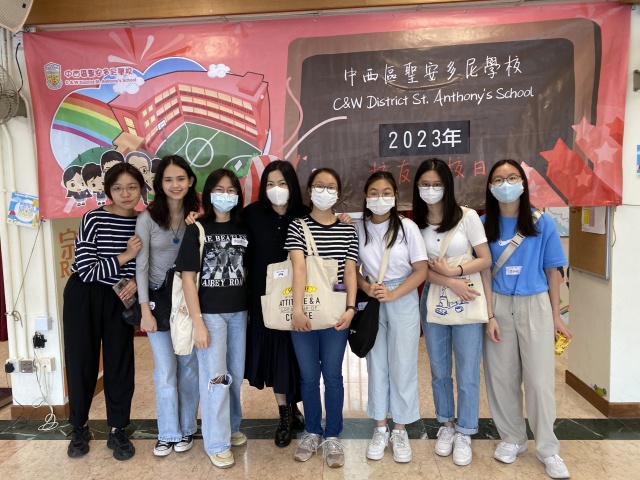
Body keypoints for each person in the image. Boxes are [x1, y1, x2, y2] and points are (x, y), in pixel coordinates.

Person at [481, 159, 571, 479]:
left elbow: (553, 271)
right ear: (490, 187)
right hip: (498, 305)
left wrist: (557, 316)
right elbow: (482, 273)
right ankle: (513, 438)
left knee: (539, 381)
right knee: (501, 378)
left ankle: (548, 448)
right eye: (498, 179)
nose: (506, 184)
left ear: (523, 183)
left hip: (536, 304)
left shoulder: (542, 223)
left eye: (512, 177)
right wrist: (488, 314)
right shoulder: (483, 224)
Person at [413, 158, 492, 467]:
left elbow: (484, 259)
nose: (431, 189)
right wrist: (449, 281)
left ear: (447, 185)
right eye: (425, 184)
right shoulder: (415, 224)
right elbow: (418, 269)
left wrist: (456, 272)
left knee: (469, 370)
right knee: (439, 368)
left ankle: (465, 431)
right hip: (434, 298)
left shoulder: (468, 217)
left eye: (436, 184)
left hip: (467, 298)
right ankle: (446, 424)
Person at [63, 162, 144, 461]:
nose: (126, 194)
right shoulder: (93, 218)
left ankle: (118, 429)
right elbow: (86, 270)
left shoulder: (145, 221)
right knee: (81, 362)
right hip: (83, 296)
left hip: (120, 296)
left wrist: (137, 280)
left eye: (132, 187)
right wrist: (127, 255)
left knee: (120, 363)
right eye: (118, 188)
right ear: (108, 190)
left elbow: (152, 261)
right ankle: (79, 427)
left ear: (141, 189)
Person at [174, 168, 249, 469]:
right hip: (210, 315)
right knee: (216, 378)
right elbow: (188, 280)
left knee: (235, 374)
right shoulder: (197, 229)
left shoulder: (243, 228)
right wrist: (199, 324)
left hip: (239, 313)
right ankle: (216, 443)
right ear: (208, 194)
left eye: (231, 190)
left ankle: (230, 427)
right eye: (219, 189)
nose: (225, 195)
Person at [285, 168, 358, 468]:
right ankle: (313, 431)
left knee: (333, 375)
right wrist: (297, 309)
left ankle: (333, 434)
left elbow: (350, 271)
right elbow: (298, 268)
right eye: (319, 186)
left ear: (338, 193)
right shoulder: (297, 226)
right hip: (303, 313)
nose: (324, 191)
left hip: (336, 313)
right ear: (309, 190)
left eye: (331, 187)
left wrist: (351, 308)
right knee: (308, 376)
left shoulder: (348, 229)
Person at [356, 171, 428, 463]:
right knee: (377, 363)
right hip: (374, 299)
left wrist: (395, 294)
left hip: (403, 297)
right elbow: (352, 270)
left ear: (395, 196)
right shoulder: (359, 228)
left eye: (386, 193)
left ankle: (400, 429)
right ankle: (380, 427)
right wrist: (367, 288)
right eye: (374, 193)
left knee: (403, 364)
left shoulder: (407, 227)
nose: (380, 198)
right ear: (365, 197)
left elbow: (421, 270)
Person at [135, 155, 201, 457]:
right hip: (158, 300)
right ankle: (168, 433)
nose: (175, 185)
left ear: (190, 181)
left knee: (188, 367)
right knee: (165, 370)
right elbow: (142, 265)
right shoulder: (147, 218)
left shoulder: (198, 216)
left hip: (188, 299)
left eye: (181, 179)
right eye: (168, 179)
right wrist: (144, 310)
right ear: (159, 184)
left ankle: (187, 428)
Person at [242, 160, 307, 447]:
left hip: (301, 298)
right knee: (276, 357)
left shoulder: (305, 214)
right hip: (264, 298)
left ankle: (294, 407)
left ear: (292, 185)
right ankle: (284, 414)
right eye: (270, 184)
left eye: (282, 183)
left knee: (296, 357)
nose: (276, 189)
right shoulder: (251, 214)